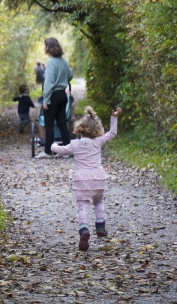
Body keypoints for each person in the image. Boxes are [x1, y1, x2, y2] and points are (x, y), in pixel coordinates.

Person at [51, 106, 123, 251]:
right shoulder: (98, 141)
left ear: (80, 128)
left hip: (82, 179)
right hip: (98, 178)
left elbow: (61, 150)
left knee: (83, 204)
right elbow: (112, 133)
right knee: (98, 201)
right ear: (97, 129)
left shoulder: (75, 144)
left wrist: (53, 145)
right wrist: (114, 117)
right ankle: (100, 224)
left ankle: (84, 229)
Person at [35, 37, 73, 158]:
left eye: (45, 46)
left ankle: (48, 151)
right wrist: (62, 81)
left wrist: (46, 100)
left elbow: (49, 83)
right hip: (62, 95)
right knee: (62, 123)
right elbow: (70, 75)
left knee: (49, 124)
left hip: (53, 96)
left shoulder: (51, 62)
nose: (44, 48)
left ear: (49, 48)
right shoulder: (63, 61)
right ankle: (67, 150)